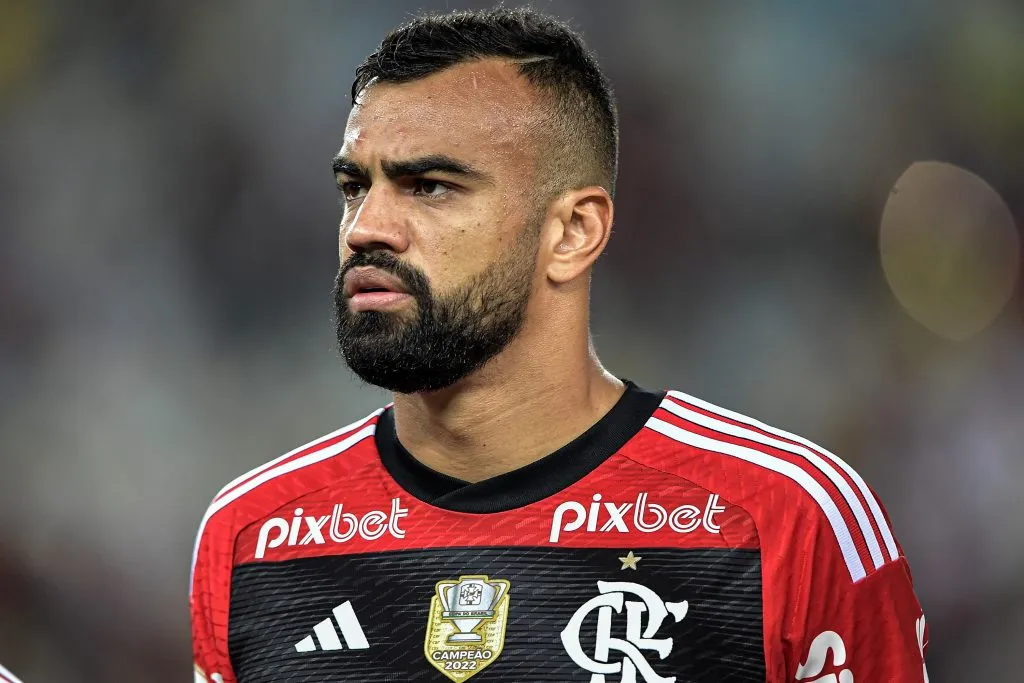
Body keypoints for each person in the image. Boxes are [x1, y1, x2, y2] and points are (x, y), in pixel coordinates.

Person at [191, 7, 929, 682]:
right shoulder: (253, 539)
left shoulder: (784, 520)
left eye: (430, 186)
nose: (365, 227)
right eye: (356, 186)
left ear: (574, 233)